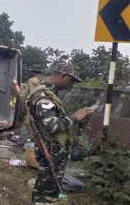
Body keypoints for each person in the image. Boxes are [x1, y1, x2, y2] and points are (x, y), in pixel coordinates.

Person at [26, 64, 94, 204]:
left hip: (53, 149)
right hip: (50, 150)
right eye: (72, 81)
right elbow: (52, 125)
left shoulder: (51, 92)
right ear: (64, 76)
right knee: (48, 192)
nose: (72, 85)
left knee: (45, 188)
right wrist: (75, 117)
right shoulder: (43, 95)